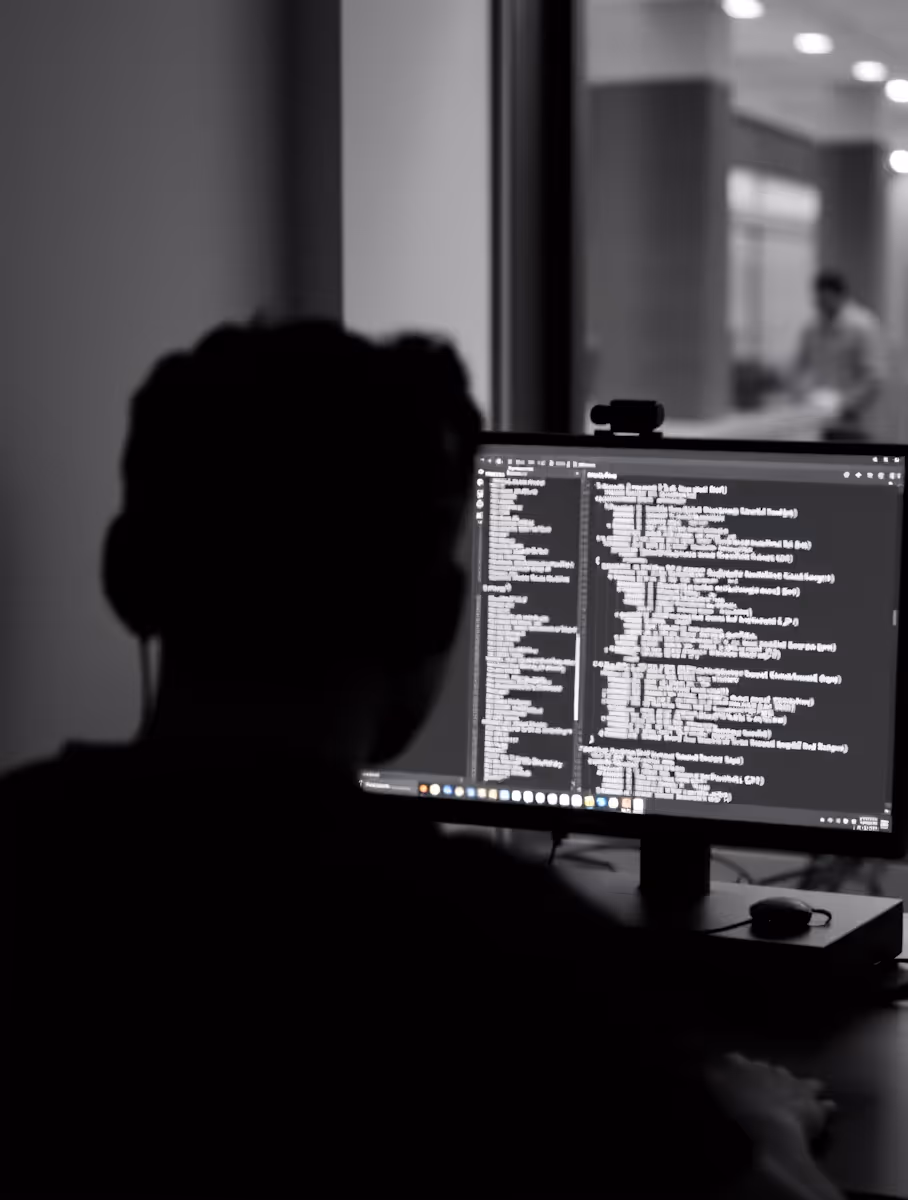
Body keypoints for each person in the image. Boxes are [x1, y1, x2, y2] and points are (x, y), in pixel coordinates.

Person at [1, 318, 845, 1199]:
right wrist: (764, 1122)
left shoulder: (20, 851)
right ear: (433, 616)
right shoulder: (504, 955)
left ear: (127, 576)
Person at [792, 270, 887, 441]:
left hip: (855, 420)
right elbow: (799, 367)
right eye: (818, 300)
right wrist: (805, 395)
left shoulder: (863, 325)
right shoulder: (812, 327)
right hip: (821, 419)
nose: (820, 304)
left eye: (825, 299)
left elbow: (875, 377)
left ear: (840, 296)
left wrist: (843, 404)